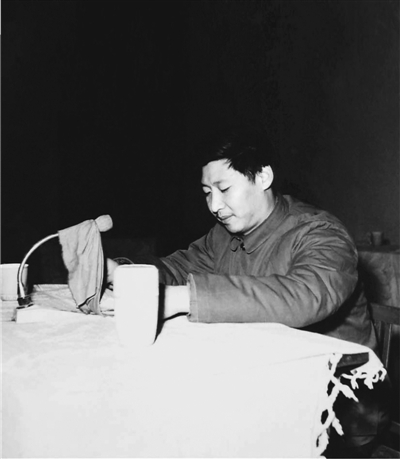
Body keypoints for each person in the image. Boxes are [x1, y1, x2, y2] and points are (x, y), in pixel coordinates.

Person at [107, 126, 390, 457]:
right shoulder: (224, 235)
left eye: (224, 189)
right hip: (271, 384)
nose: (214, 205)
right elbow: (179, 267)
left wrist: (182, 298)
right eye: (207, 193)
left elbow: (304, 296)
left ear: (263, 177)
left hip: (339, 406)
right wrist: (124, 273)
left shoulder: (321, 233)